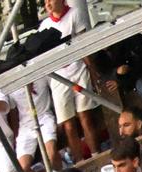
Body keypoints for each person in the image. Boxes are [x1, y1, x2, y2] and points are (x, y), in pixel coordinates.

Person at [40, 0, 105, 163]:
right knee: (68, 124)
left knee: (85, 116)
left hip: (78, 69)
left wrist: (92, 69)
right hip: (58, 76)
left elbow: (82, 44)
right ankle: (80, 162)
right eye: (45, 0)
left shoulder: (75, 14)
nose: (47, 3)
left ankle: (96, 155)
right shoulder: (44, 25)